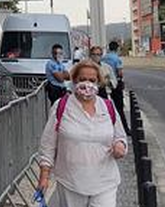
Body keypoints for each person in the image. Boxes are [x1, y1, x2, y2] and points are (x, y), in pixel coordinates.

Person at [37, 60, 129, 206]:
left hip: (105, 181)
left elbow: (120, 136)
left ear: (98, 82)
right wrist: (44, 176)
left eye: (92, 80)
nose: (87, 84)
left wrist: (120, 146)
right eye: (82, 79)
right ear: (74, 80)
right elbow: (48, 145)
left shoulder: (108, 107)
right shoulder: (61, 107)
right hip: (70, 182)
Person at [101, 41, 125, 122]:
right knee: (119, 106)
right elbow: (120, 73)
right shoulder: (117, 58)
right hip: (115, 83)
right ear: (117, 48)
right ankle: (123, 125)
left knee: (105, 105)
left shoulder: (103, 57)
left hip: (105, 83)